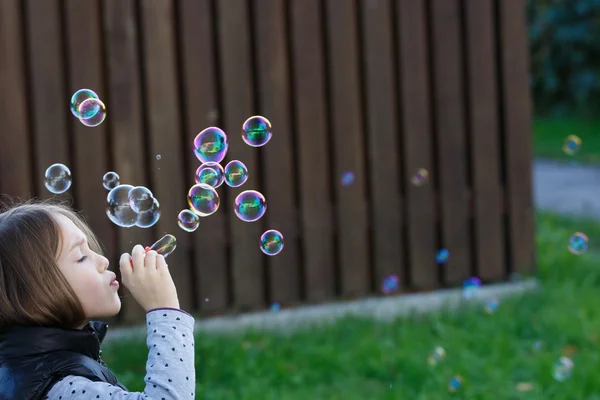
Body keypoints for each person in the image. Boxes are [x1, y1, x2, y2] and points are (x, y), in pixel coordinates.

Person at [0, 200, 196, 399]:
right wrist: (164, 308)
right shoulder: (62, 389)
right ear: (37, 294)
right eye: (81, 257)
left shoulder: (43, 368)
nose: (103, 261)